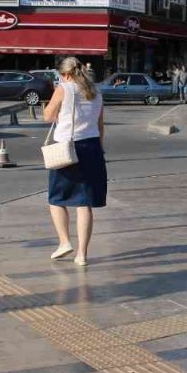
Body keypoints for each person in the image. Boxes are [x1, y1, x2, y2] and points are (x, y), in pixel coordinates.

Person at [43, 56, 107, 267]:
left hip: (68, 148)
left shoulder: (64, 88)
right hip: (92, 148)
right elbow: (100, 126)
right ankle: (82, 254)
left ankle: (64, 242)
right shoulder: (96, 92)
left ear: (66, 74)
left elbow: (47, 116)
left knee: (56, 198)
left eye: (61, 75)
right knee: (84, 203)